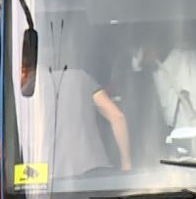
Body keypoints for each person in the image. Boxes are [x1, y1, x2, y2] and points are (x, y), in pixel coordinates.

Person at [15, 33, 132, 177]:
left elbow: (6, 145)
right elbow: (117, 117)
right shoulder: (82, 78)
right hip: (96, 175)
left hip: (55, 183)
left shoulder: (29, 94)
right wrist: (126, 165)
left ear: (23, 69)